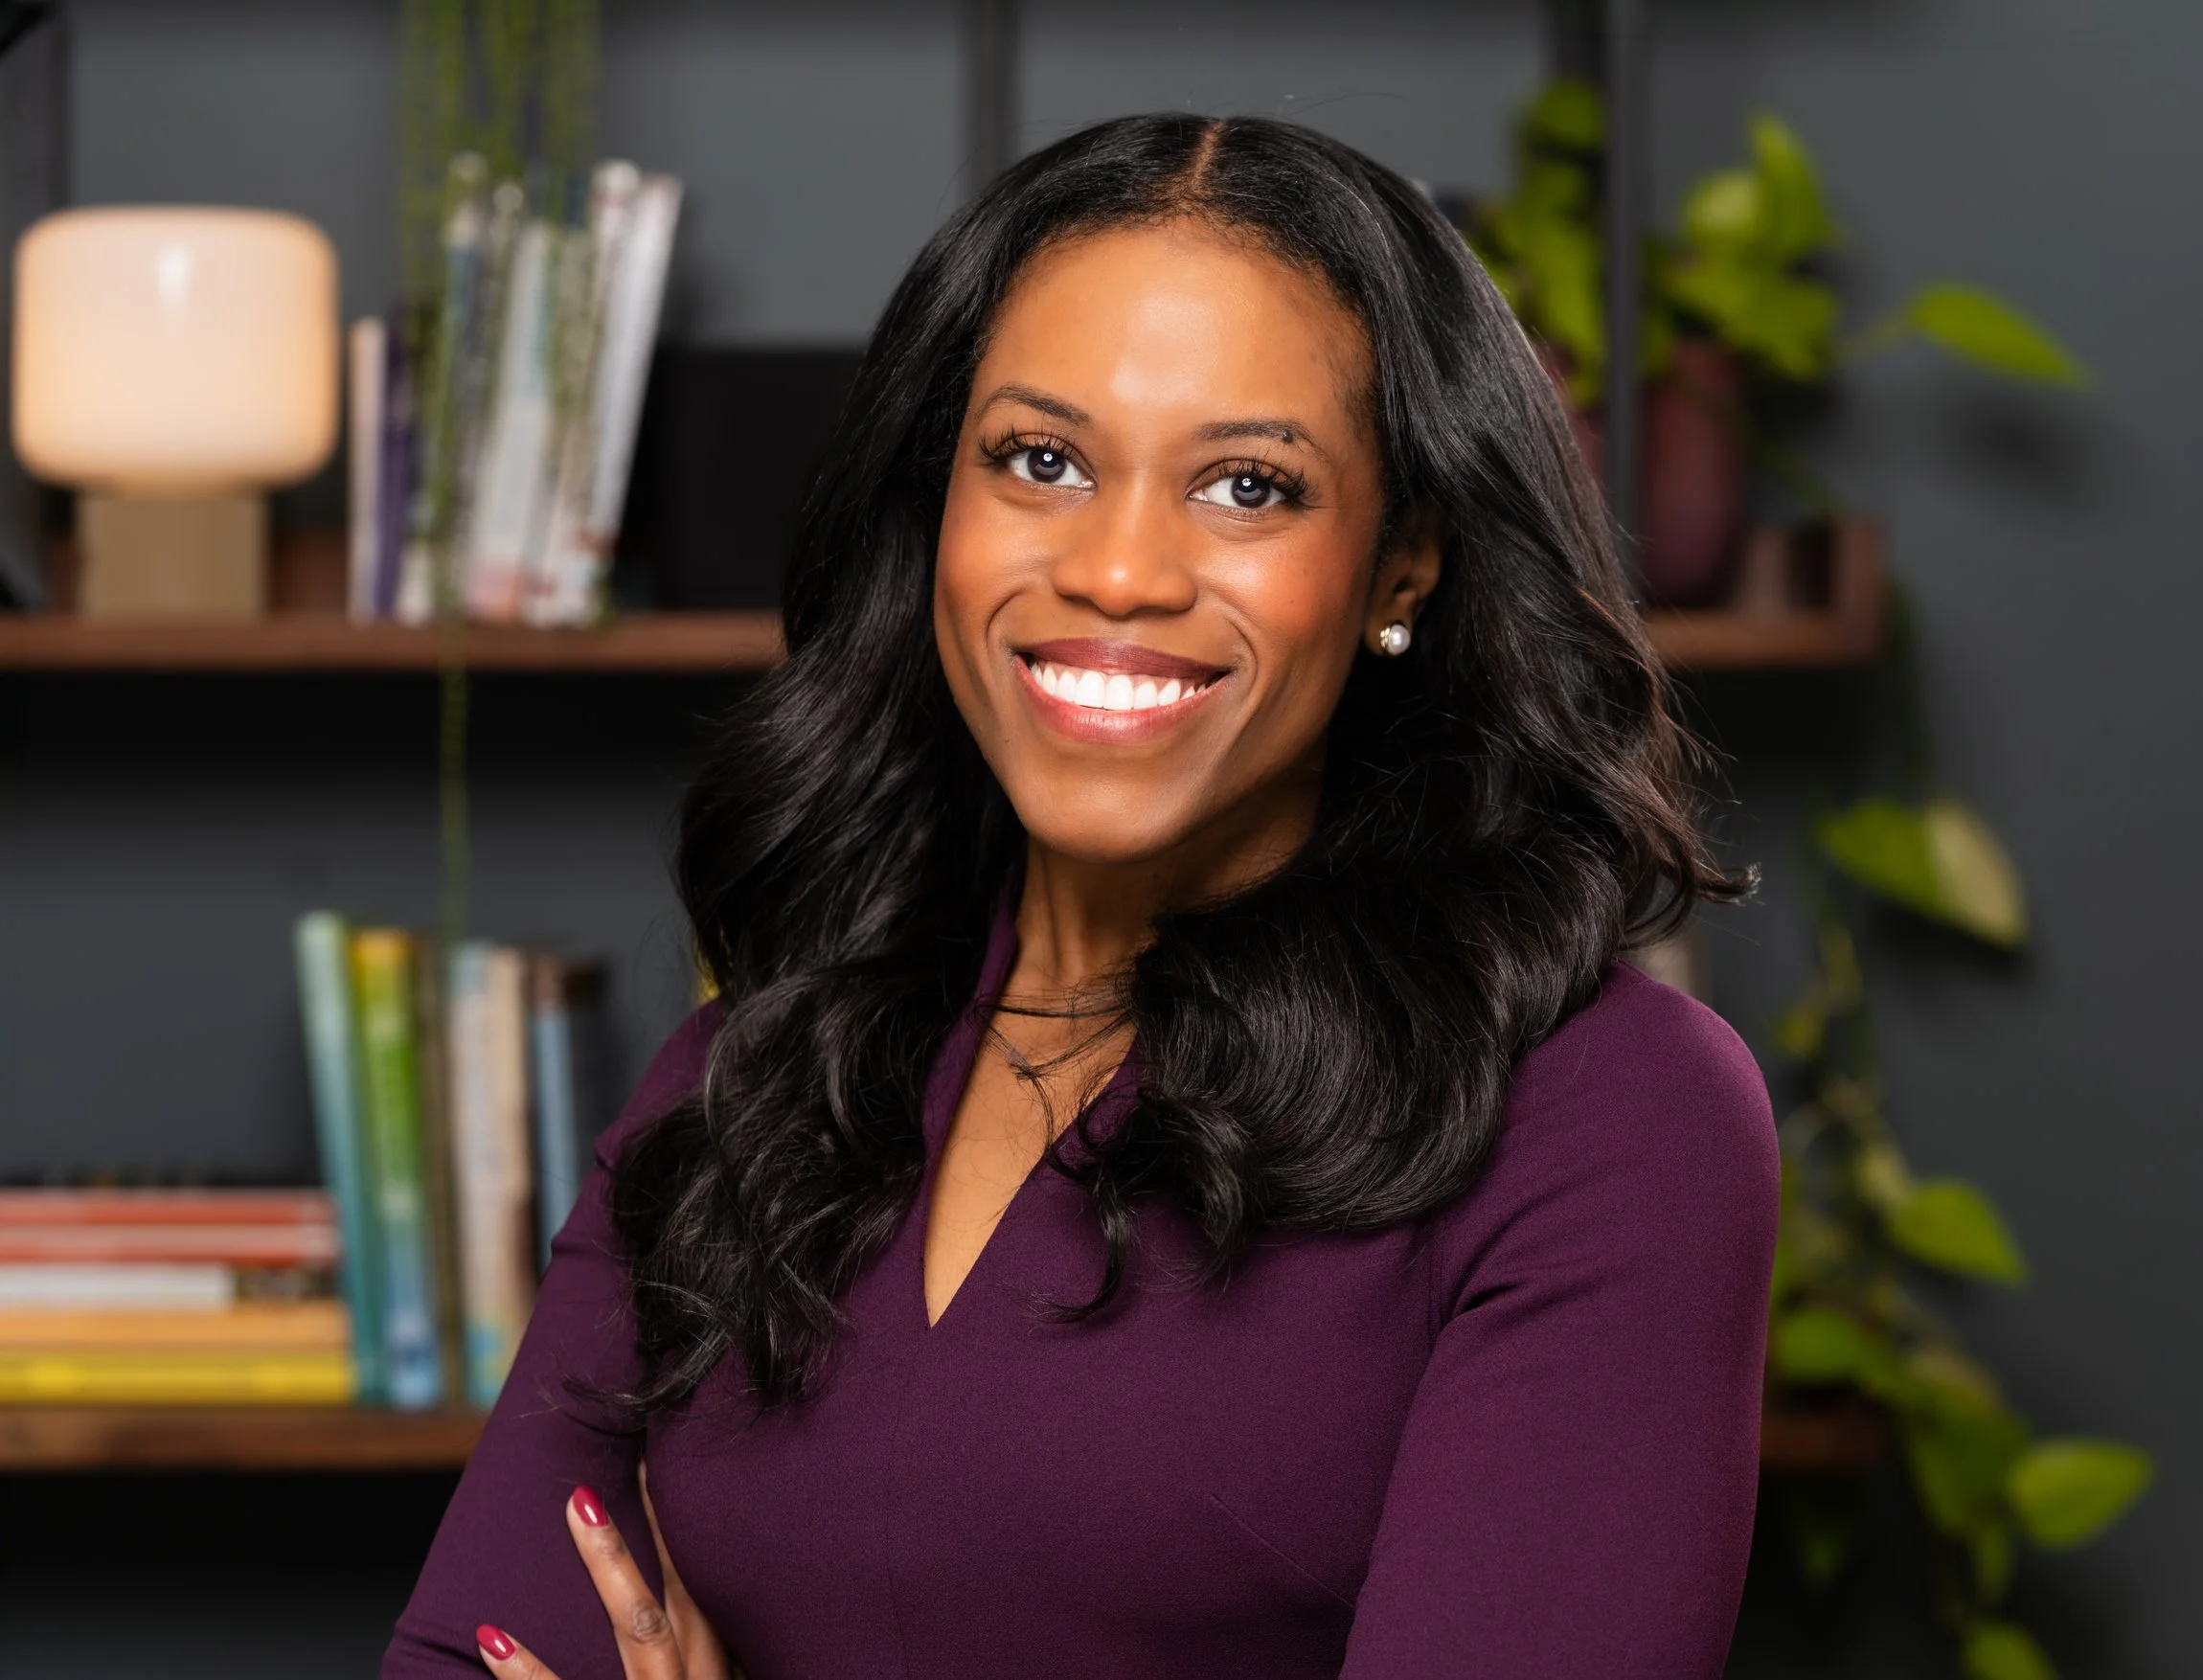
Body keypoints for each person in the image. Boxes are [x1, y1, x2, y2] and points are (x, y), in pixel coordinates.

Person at [387, 113, 1778, 1680]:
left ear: (1404, 565)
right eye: (1041, 460)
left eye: (1249, 485)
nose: (1120, 569)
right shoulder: (748, 1088)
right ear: (939, 514)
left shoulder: (1608, 1119)